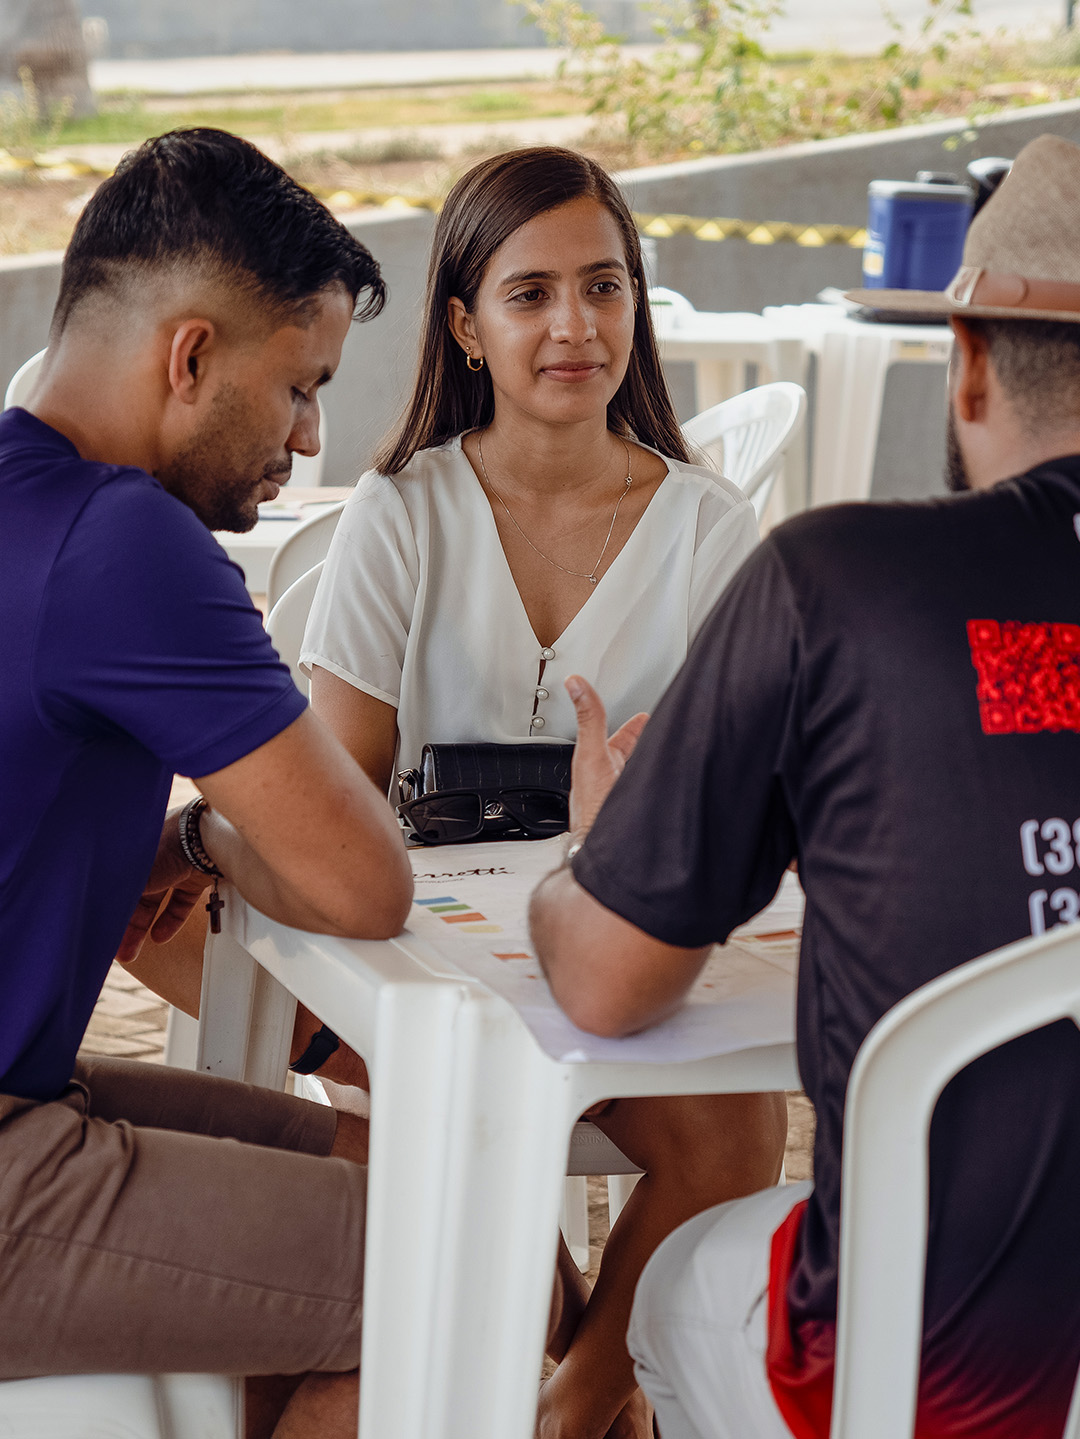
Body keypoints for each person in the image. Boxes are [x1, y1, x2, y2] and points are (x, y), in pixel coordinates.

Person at [530, 131, 1080, 1439]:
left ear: (966, 359)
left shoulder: (841, 583)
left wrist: (594, 855)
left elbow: (608, 982)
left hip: (945, 1382)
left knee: (678, 1280)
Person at [298, 145, 788, 1439]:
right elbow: (336, 796)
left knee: (737, 1138)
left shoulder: (710, 527)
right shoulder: (402, 513)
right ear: (466, 325)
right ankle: (593, 1402)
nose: (576, 326)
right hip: (429, 964)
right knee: (422, 1131)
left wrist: (649, 820)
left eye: (604, 286)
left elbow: (750, 804)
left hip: (624, 951)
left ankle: (572, 1411)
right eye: (531, 294)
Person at [0, 127, 414, 1439]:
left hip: (37, 1089)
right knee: (478, 1263)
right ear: (189, 359)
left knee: (401, 1167)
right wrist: (220, 840)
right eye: (299, 386)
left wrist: (182, 840)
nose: (309, 436)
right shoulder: (124, 539)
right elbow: (362, 884)